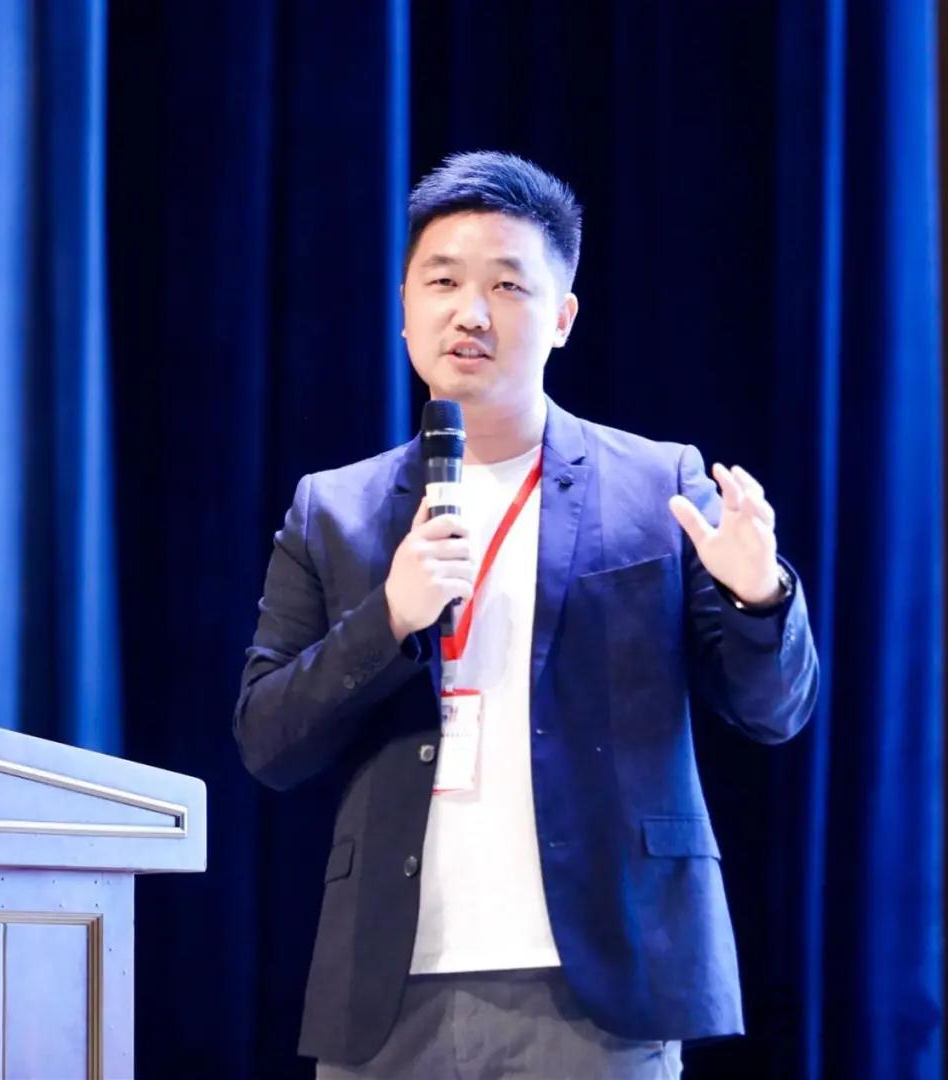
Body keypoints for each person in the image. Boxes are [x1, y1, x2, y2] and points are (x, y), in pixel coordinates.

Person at [234, 151, 818, 1079]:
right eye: (443, 282)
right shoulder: (333, 509)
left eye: (508, 285)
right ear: (403, 307)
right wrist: (389, 618)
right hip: (387, 990)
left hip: (597, 984)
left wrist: (760, 596)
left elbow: (774, 710)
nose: (471, 311)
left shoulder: (657, 487)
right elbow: (267, 741)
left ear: (562, 318)